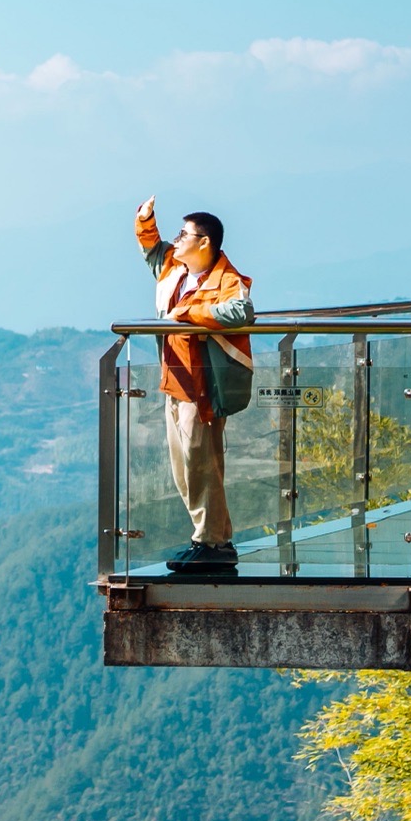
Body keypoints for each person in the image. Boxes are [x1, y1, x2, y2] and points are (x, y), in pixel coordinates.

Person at [135, 197, 254, 574]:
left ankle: (213, 544)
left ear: (204, 242)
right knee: (184, 467)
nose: (177, 240)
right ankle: (207, 538)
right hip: (175, 381)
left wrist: (189, 312)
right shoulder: (175, 269)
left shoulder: (225, 279)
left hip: (202, 385)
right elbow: (153, 251)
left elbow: (241, 312)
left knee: (202, 465)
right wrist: (144, 220)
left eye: (184, 234)